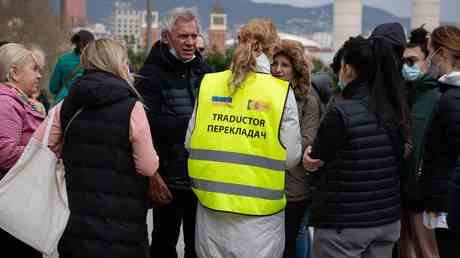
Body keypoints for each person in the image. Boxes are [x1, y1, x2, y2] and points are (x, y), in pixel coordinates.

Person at [32, 38, 160, 258]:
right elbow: (148, 167)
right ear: (119, 63)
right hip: (123, 221)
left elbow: (42, 145)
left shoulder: (67, 104)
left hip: (77, 217)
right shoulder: (133, 107)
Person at [185, 18, 302, 258]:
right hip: (259, 220)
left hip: (212, 210)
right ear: (271, 50)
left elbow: (190, 142)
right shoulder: (280, 92)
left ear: (239, 42)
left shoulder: (210, 84)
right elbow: (290, 157)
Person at [303, 35, 409, 258]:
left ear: (348, 69)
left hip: (344, 223)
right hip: (386, 219)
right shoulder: (393, 108)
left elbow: (317, 157)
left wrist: (308, 160)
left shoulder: (341, 112)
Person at [136, 7, 211, 258]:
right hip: (167, 176)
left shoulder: (205, 73)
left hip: (201, 176)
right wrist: (195, 126)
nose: (190, 42)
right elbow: (148, 124)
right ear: (166, 36)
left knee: (198, 247)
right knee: (163, 244)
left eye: (194, 36)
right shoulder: (150, 74)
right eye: (183, 36)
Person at [271, 39, 320, 258]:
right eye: (275, 64)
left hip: (295, 186)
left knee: (292, 240)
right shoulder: (266, 97)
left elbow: (307, 140)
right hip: (269, 182)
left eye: (285, 65)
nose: (278, 69)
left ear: (296, 70)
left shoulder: (308, 102)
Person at [0, 43, 46, 257]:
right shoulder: (6, 104)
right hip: (13, 204)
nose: (39, 75)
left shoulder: (18, 102)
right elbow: (5, 153)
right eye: (34, 69)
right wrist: (44, 149)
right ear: (14, 72)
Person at [399, 26, 441, 258]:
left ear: (428, 61)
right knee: (406, 247)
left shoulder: (435, 97)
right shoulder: (407, 95)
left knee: (426, 249)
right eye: (404, 61)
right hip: (403, 189)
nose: (408, 67)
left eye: (413, 60)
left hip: (423, 192)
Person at [422, 25, 460, 257]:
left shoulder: (453, 97)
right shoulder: (449, 93)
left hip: (449, 204)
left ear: (443, 53)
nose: (430, 59)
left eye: (431, 52)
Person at [49, 30, 94, 104]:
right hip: (86, 105)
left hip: (63, 102)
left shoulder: (63, 60)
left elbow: (53, 88)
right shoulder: (95, 62)